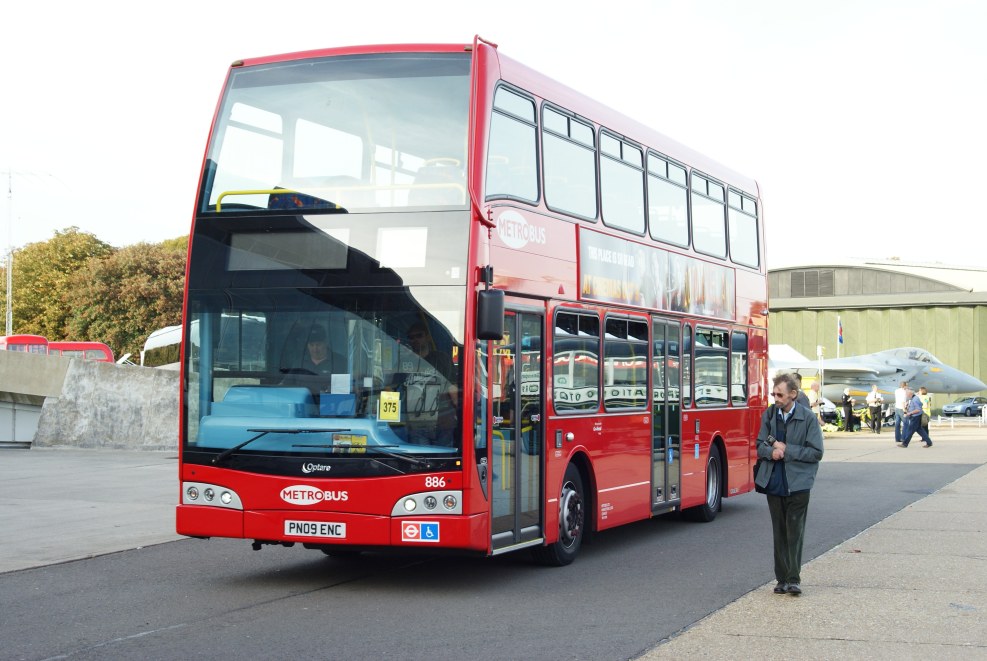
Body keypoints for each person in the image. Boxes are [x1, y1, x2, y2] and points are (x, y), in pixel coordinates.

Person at [754, 372, 824, 596]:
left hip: (799, 483)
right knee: (779, 532)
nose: (776, 398)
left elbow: (816, 452)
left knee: (795, 531)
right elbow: (759, 444)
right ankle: (781, 579)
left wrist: (787, 450)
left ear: (793, 394)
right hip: (774, 482)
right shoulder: (769, 415)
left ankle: (793, 579)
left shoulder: (808, 418)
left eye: (780, 395)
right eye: (774, 394)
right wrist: (772, 451)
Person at [397, 322, 458, 445]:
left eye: (419, 335)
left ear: (428, 337)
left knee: (444, 461)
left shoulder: (441, 359)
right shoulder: (404, 362)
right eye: (411, 337)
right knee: (420, 460)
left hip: (442, 422)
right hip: (417, 424)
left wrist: (459, 414)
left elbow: (453, 389)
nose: (415, 340)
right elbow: (392, 390)